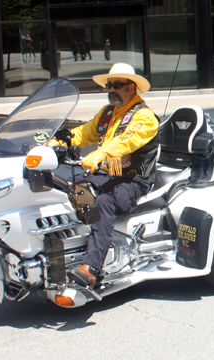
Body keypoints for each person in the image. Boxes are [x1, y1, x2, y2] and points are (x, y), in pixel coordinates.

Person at [50, 63, 159, 287]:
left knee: (103, 201)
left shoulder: (145, 116)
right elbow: (85, 132)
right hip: (107, 176)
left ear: (132, 88)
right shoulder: (107, 113)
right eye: (109, 86)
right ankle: (66, 250)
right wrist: (58, 141)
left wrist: (100, 153)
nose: (111, 90)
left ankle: (91, 268)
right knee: (66, 188)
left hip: (133, 180)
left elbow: (127, 140)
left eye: (117, 85)